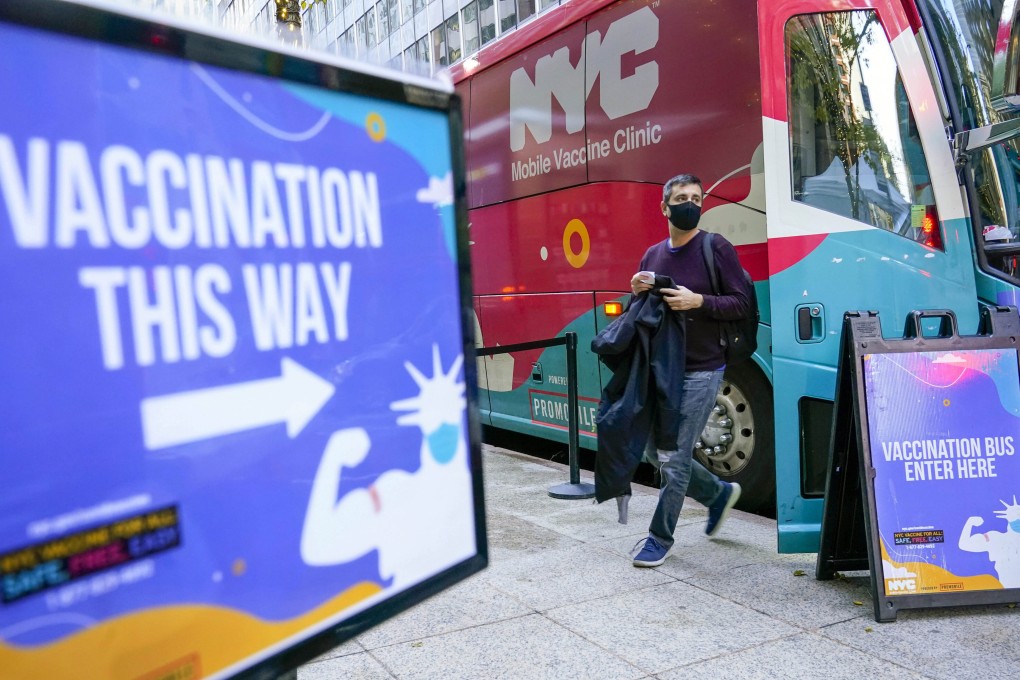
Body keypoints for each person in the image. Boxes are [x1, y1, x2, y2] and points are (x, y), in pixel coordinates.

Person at [629, 173, 751, 567]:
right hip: (663, 367)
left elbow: (741, 304)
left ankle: (659, 538)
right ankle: (717, 494)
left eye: (696, 197)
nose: (690, 204)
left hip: (703, 368)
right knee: (652, 450)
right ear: (665, 208)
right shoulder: (652, 255)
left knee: (675, 455)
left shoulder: (716, 248)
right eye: (681, 198)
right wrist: (634, 290)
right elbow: (647, 313)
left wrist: (698, 301)